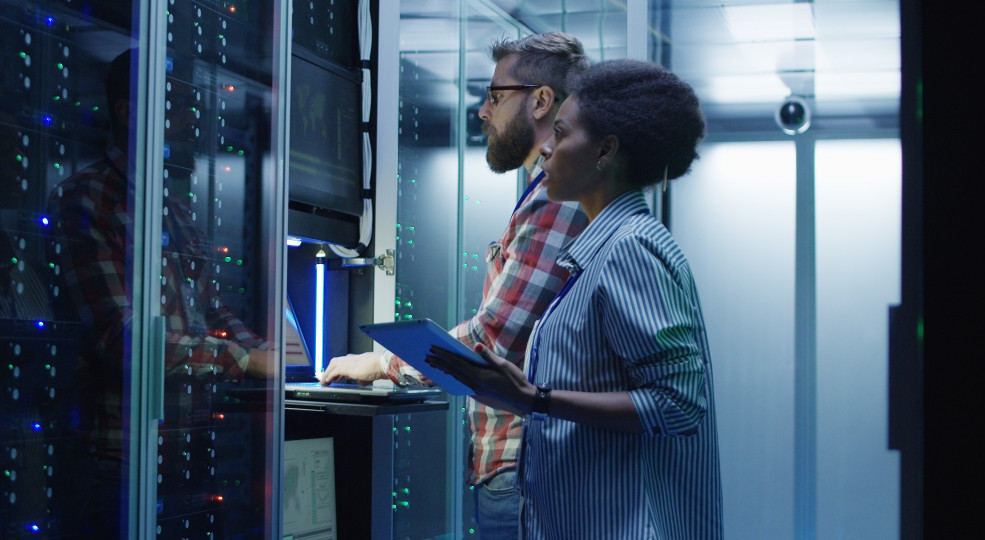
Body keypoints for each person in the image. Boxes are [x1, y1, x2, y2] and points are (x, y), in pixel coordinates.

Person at [427, 59, 724, 539]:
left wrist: (533, 399)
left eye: (560, 134)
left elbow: (678, 404)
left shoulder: (630, 248)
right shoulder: (604, 247)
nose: (545, 147)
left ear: (605, 150)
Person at [318, 32, 590, 538]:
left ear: (540, 101)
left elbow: (490, 341)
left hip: (524, 467)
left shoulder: (555, 199)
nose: (484, 112)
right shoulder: (546, 194)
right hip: (521, 468)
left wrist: (379, 363)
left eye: (494, 95)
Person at [47, 49, 271, 538]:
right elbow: (120, 338)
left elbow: (209, 308)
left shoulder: (172, 208)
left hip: (182, 451)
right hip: (118, 457)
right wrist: (244, 359)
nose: (193, 121)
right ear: (131, 112)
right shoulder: (85, 200)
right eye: (180, 105)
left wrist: (263, 350)